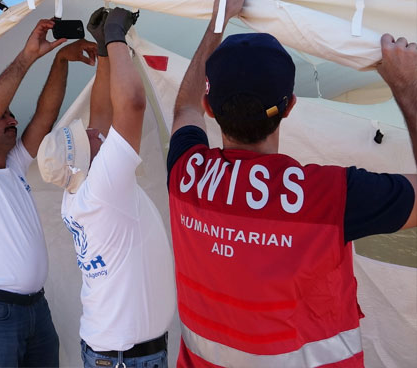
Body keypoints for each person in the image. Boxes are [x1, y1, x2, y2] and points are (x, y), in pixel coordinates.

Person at [167, 0, 417, 367]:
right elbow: (187, 110)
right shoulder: (328, 197)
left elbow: (183, 109)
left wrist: (217, 23)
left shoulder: (187, 174)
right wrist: (407, 89)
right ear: (290, 106)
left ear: (210, 106)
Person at [0, 17, 96, 366]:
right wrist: (28, 56)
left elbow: (46, 115)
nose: (12, 121)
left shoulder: (12, 165)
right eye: (5, 118)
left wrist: (60, 61)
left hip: (34, 308)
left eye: (12, 116)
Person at [37, 7, 175, 368]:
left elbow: (101, 115)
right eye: (90, 140)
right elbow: (130, 104)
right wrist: (115, 37)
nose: (96, 132)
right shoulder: (102, 190)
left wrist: (102, 52)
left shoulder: (78, 191)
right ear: (85, 161)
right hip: (125, 358)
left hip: (112, 350)